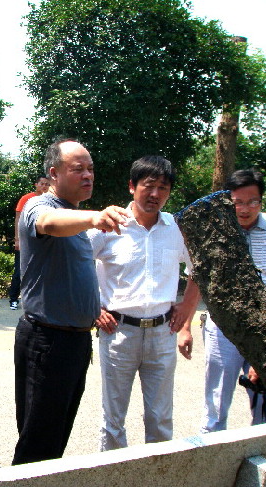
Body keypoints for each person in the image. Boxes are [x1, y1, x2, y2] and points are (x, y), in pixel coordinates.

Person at [12, 139, 130, 465]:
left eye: (90, 168)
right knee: (38, 444)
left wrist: (94, 309)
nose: (88, 175)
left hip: (74, 342)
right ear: (54, 173)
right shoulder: (39, 205)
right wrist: (94, 218)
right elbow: (47, 223)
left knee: (54, 440)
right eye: (78, 169)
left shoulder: (75, 217)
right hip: (48, 341)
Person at [87, 155, 200, 451]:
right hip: (118, 332)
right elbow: (76, 265)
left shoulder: (176, 228)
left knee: (160, 417)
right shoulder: (108, 227)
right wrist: (93, 308)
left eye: (163, 188)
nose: (155, 194)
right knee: (113, 419)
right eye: (148, 186)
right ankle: (114, 472)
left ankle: (158, 471)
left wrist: (187, 308)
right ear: (132, 186)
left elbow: (199, 270)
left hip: (163, 333)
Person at [180, 168, 266, 433]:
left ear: (261, 200)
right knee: (216, 404)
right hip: (223, 329)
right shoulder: (214, 233)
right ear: (227, 201)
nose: (245, 209)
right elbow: (196, 279)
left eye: (252, 201)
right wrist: (185, 326)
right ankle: (213, 450)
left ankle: (265, 454)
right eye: (238, 202)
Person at [8, 175, 50, 310]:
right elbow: (18, 219)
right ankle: (13, 299)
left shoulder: (51, 200)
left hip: (43, 242)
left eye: (47, 184)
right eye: (42, 183)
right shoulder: (26, 199)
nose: (44, 186)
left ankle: (38, 301)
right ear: (36, 185)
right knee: (19, 271)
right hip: (26, 240)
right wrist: (17, 239)